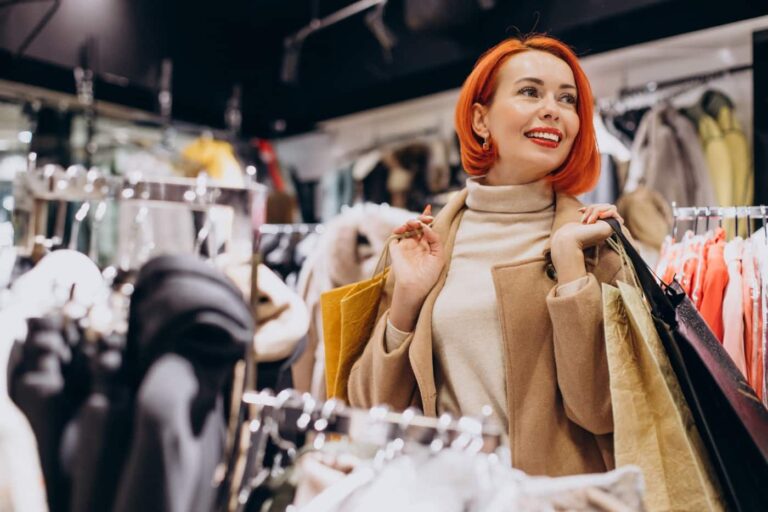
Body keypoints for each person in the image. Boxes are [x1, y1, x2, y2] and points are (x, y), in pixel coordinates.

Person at [347, 34, 628, 477]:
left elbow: (602, 412)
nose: (553, 109)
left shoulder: (598, 242)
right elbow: (370, 412)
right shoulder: (422, 244)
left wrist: (570, 264)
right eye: (530, 91)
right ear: (481, 119)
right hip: (449, 497)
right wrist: (407, 301)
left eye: (567, 99)